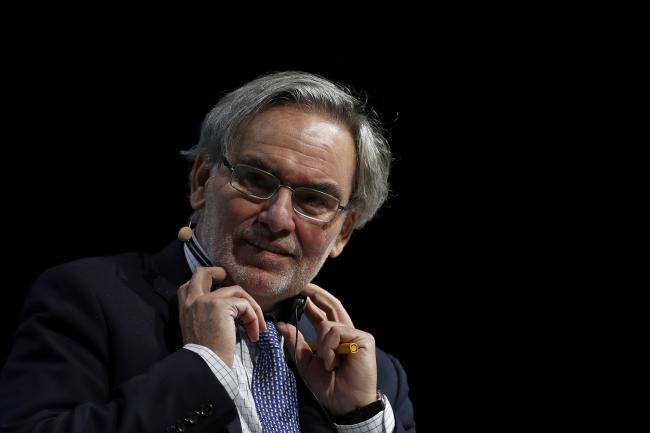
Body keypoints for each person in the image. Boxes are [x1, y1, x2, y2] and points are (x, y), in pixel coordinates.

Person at [0, 71, 415, 433]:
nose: (279, 218)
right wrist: (202, 368)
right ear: (201, 180)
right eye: (256, 179)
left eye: (314, 200)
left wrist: (359, 421)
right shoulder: (86, 299)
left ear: (343, 231)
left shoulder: (376, 377)